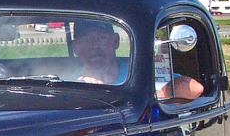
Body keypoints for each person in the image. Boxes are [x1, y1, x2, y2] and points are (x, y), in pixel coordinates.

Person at [71, 19, 204, 100]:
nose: (94, 45)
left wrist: (158, 95)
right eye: (86, 40)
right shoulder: (67, 80)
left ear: (115, 41)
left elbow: (194, 88)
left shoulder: (140, 72)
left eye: (101, 37)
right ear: (75, 48)